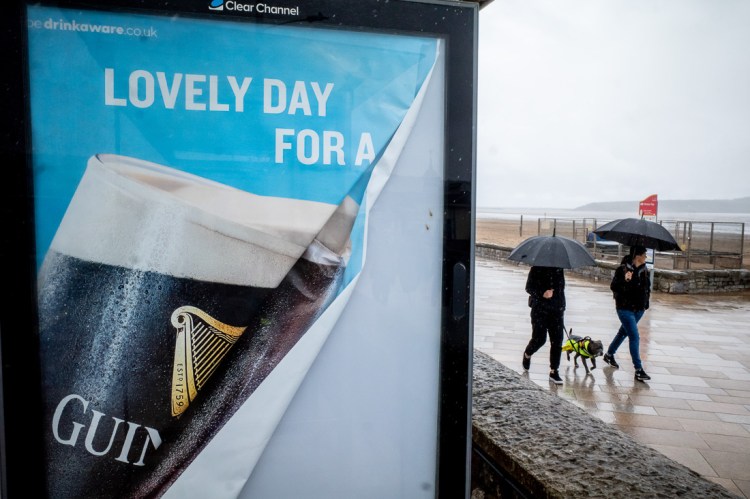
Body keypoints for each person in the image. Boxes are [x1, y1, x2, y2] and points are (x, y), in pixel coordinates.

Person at [603, 245, 652, 381]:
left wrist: (645, 304)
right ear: (638, 256)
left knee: (623, 332)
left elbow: (647, 288)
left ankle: (609, 354)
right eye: (644, 255)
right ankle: (638, 369)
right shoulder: (623, 269)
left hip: (639, 310)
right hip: (624, 309)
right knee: (634, 336)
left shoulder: (644, 270)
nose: (646, 257)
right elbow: (614, 287)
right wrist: (626, 280)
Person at [522, 266, 566, 384]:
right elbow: (529, 287)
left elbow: (561, 289)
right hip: (539, 310)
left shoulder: (559, 268)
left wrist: (561, 306)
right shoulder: (537, 268)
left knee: (557, 341)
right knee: (539, 339)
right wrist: (543, 293)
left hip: (556, 311)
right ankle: (527, 354)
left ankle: (554, 370)